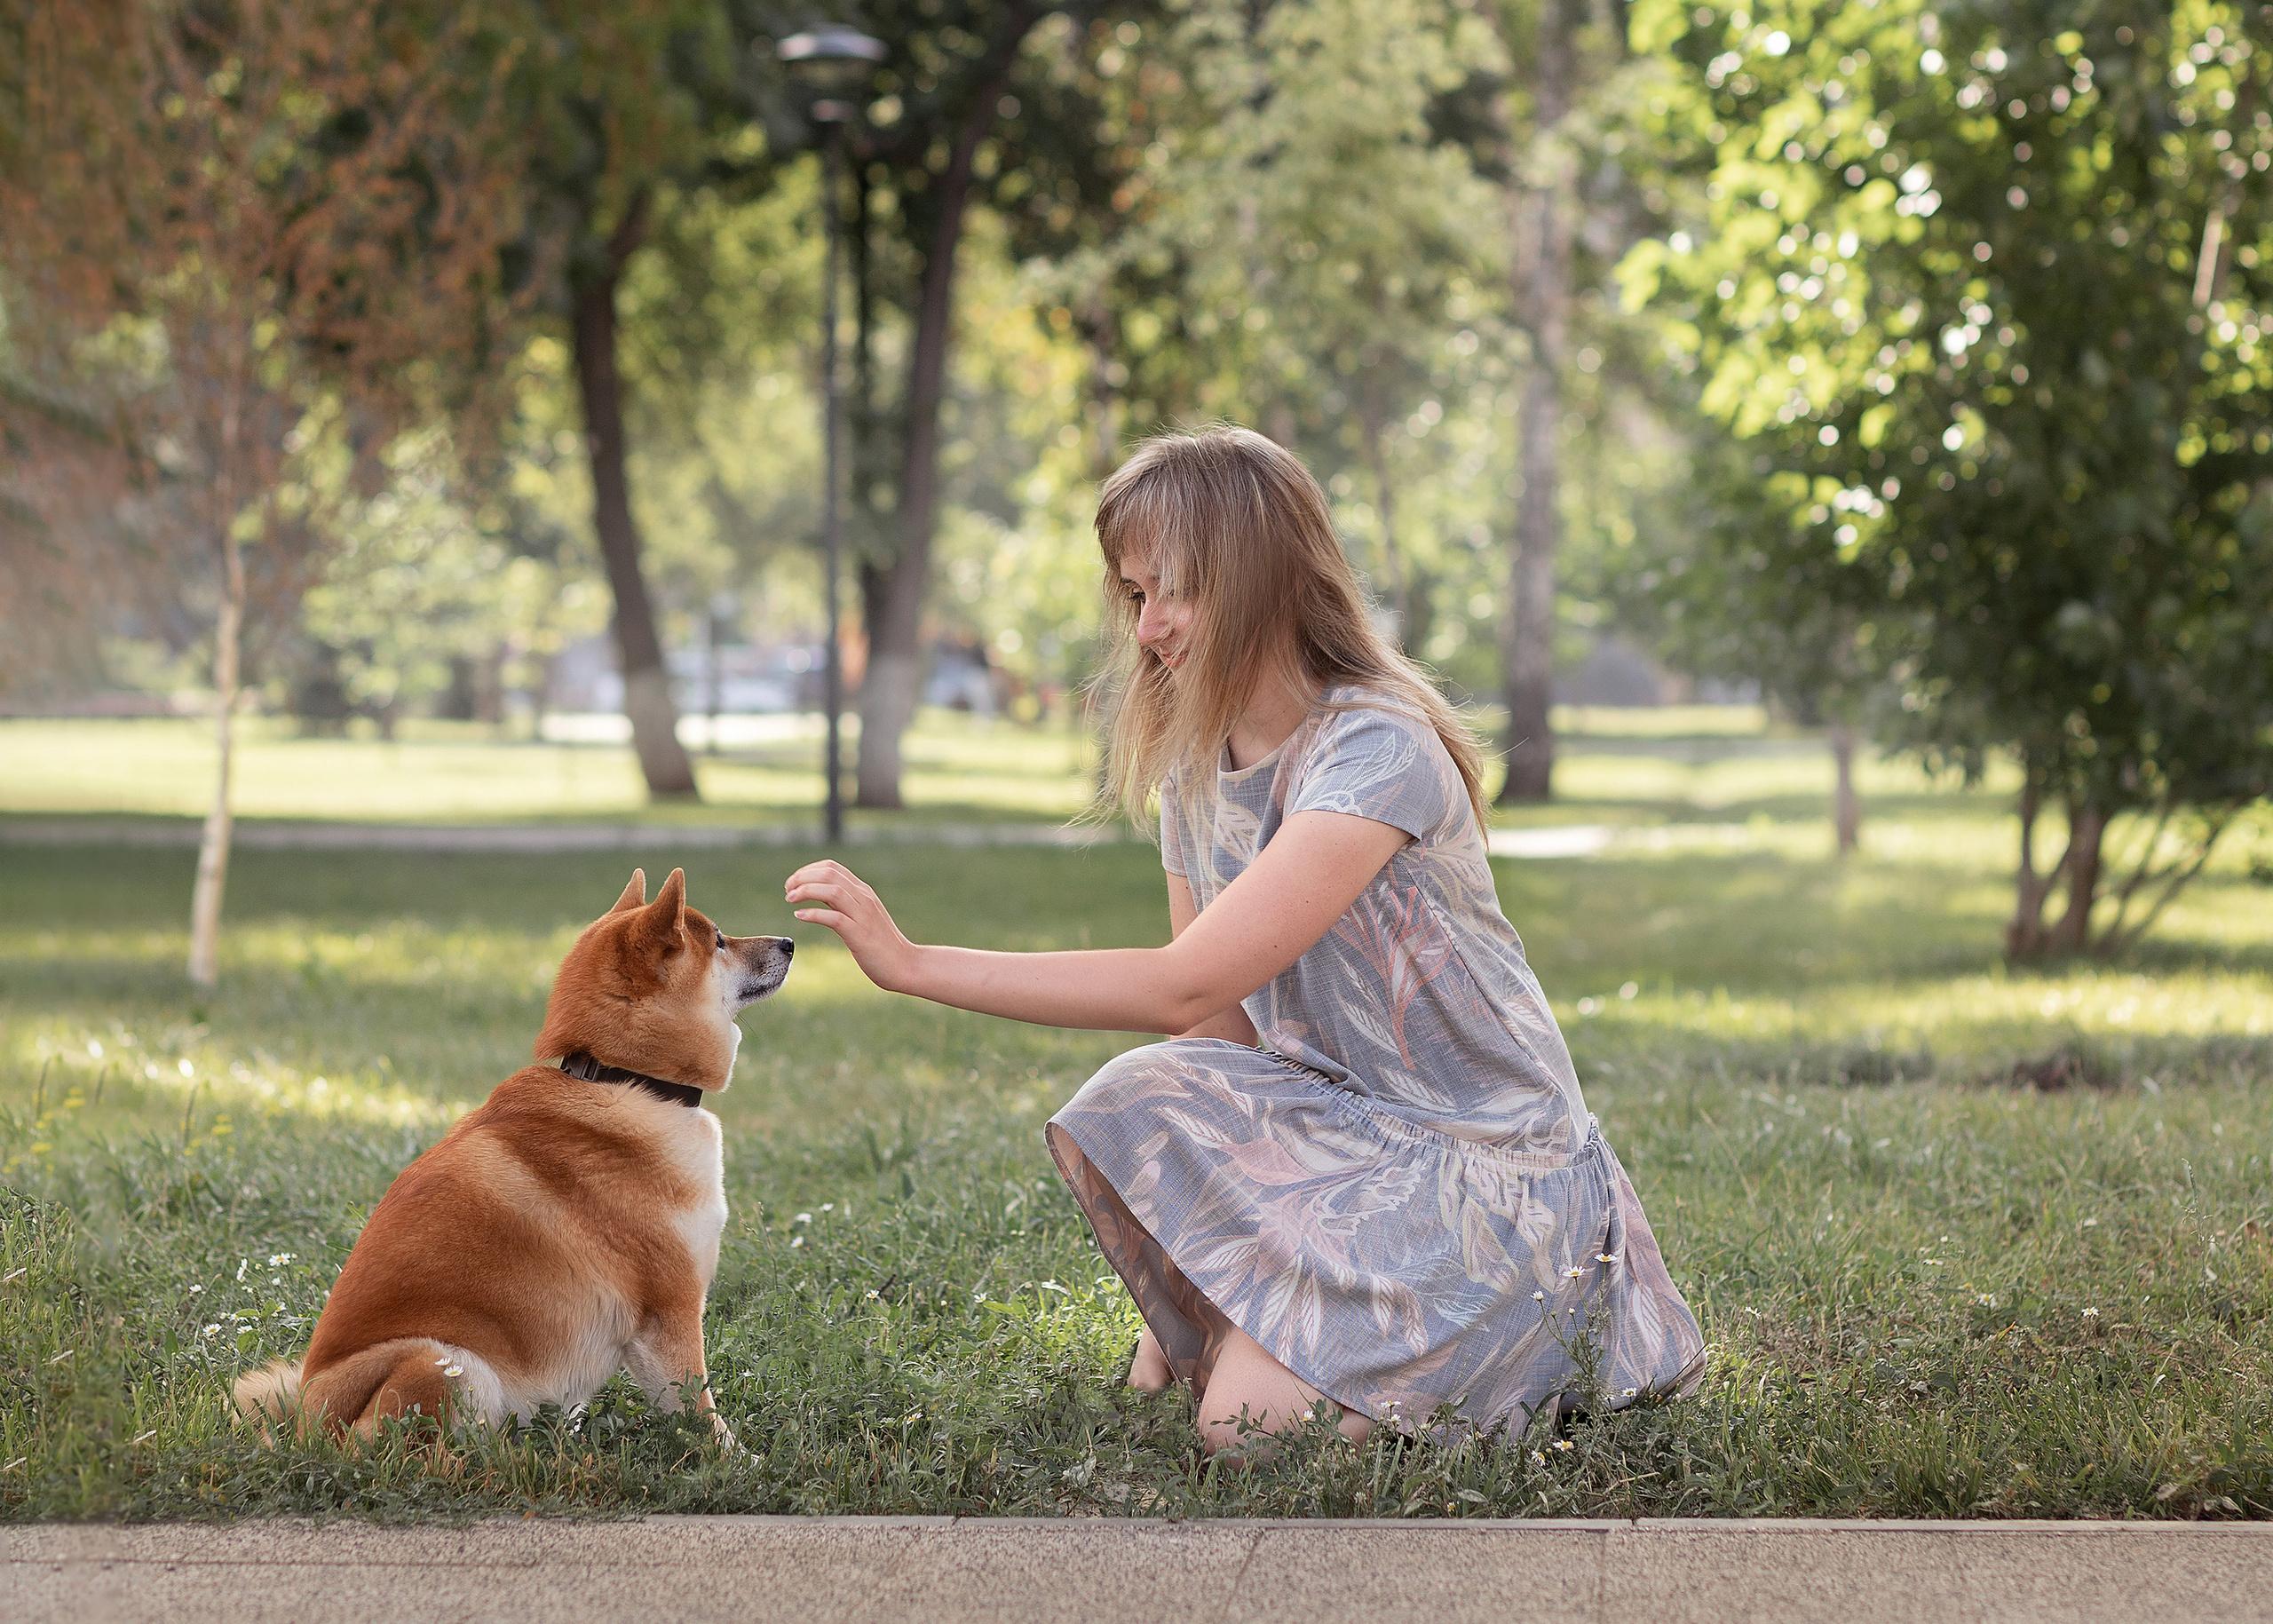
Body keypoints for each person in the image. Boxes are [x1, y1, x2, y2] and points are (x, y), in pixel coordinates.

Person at [785, 425, 1704, 1454]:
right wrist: (1204, 1270)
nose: (1149, 626)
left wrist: (915, 964)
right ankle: (1310, 1344)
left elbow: (1181, 984)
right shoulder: (1194, 769)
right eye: (1135, 593)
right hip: (1349, 1147)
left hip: (1491, 1174)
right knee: (1144, 1090)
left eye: (1176, 590)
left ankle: (1527, 1345)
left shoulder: (1376, 747)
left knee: (1244, 1430)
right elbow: (1217, 1034)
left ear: (1264, 580)